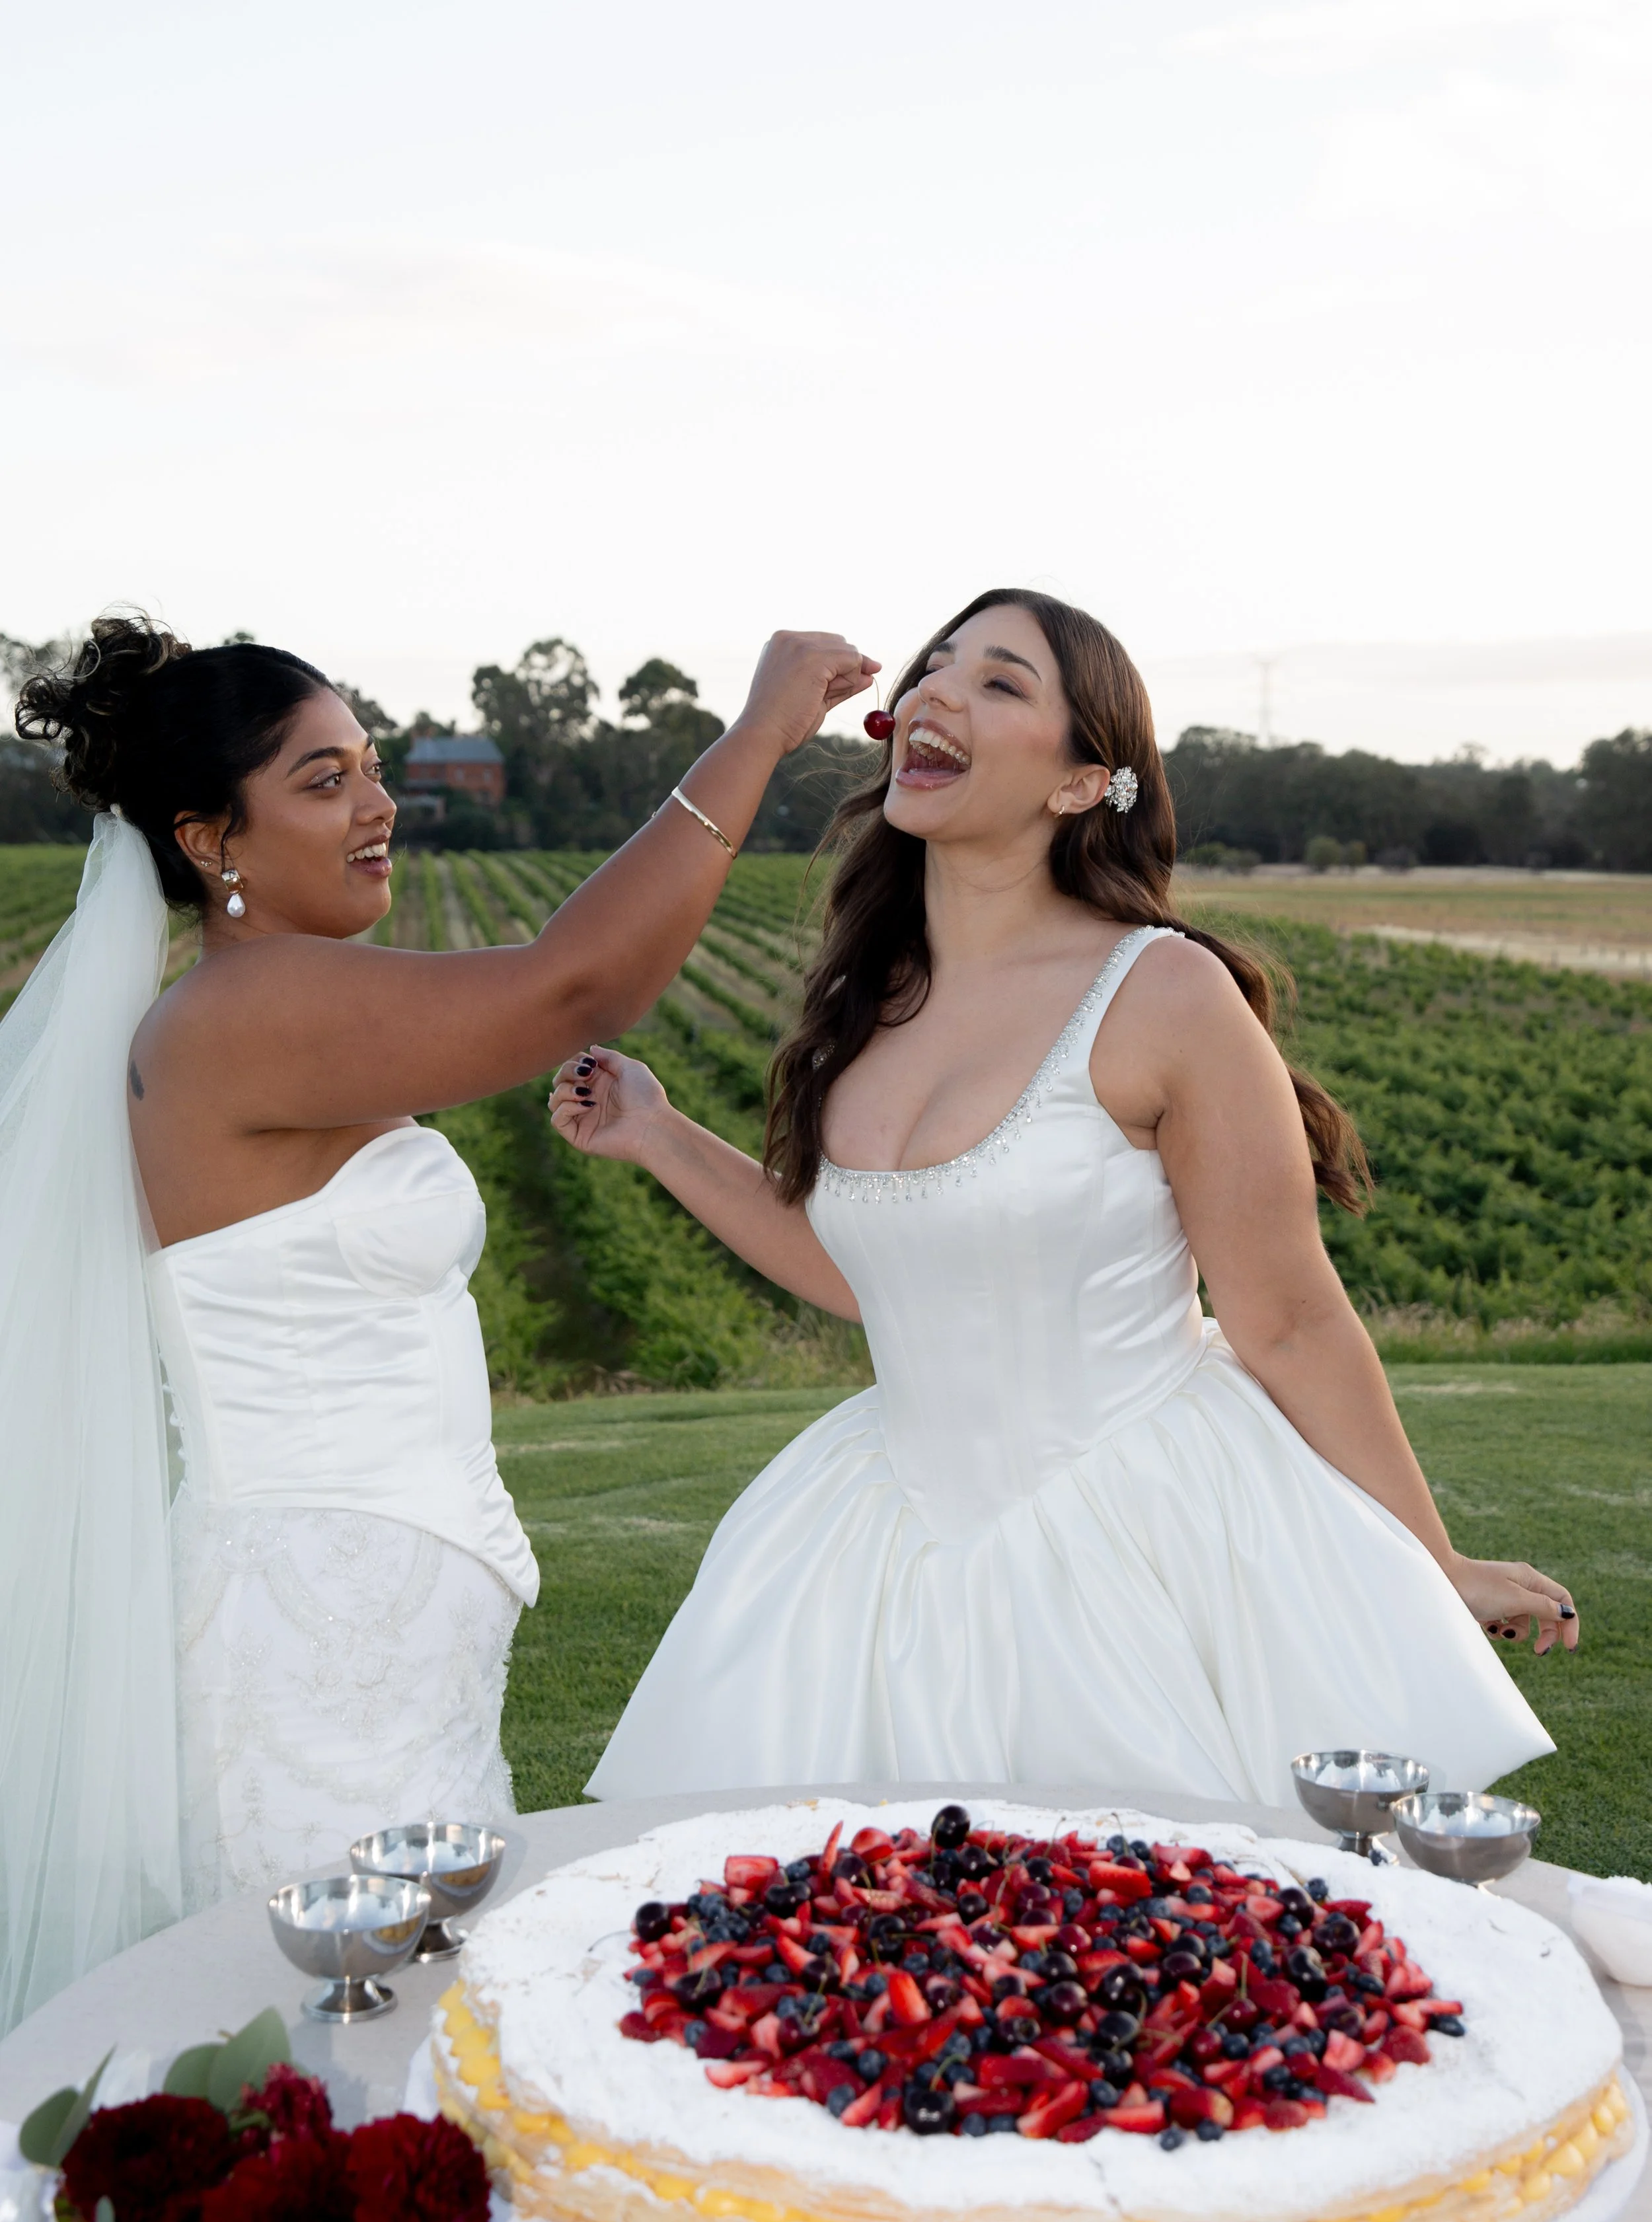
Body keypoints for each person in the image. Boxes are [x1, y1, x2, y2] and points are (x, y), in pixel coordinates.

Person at [550, 589, 1571, 1806]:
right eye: (936, 665)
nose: (938, 690)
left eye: (1000, 681)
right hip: (879, 1542)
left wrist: (1430, 1560)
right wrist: (659, 1136)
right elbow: (869, 1276)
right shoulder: (870, 1000)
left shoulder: (1167, 993)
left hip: (1133, 1539)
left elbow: (1290, 1315)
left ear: (1085, 782)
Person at [0, 612, 874, 2023]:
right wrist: (758, 732)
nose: (378, 803)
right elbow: (574, 980)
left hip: (381, 1635)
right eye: (323, 779)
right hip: (314, 1650)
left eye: (371, 765)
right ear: (212, 840)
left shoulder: (285, 1005)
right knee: (353, 2026)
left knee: (415, 2019)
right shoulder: (244, 1015)